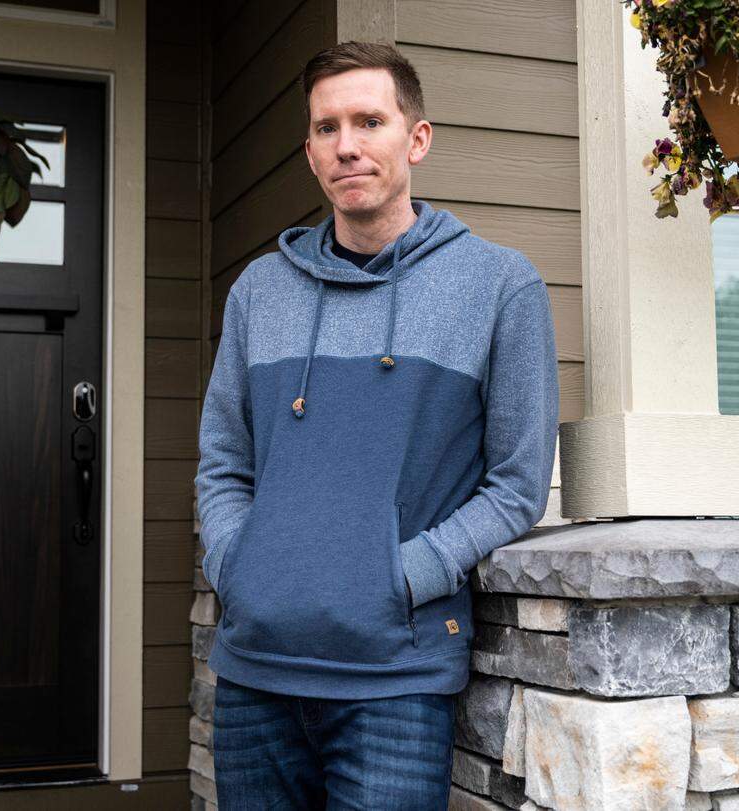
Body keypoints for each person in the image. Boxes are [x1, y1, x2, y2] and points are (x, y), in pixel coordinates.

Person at [194, 39, 559, 810]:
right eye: (327, 128)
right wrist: (239, 565)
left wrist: (405, 578)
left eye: (369, 121)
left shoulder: (499, 286)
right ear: (309, 150)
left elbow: (518, 484)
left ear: (416, 138)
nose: (348, 146)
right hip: (254, 674)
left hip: (396, 680)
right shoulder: (259, 291)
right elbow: (223, 462)